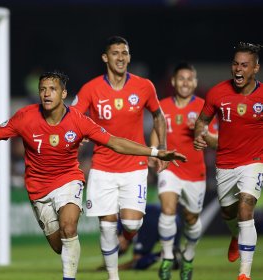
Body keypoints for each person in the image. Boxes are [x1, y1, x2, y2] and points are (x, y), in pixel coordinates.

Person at [0, 71, 186, 280]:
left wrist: (155, 151)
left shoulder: (78, 121)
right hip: (38, 188)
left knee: (70, 226)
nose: (47, 94)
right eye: (43, 89)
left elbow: (114, 141)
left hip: (69, 180)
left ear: (64, 93)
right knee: (60, 245)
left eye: (53, 89)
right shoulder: (25, 117)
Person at [71, 35, 167, 280]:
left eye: (124, 53)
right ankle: (114, 277)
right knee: (107, 225)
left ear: (129, 57)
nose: (121, 58)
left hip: (134, 166)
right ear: (105, 57)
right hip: (103, 165)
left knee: (132, 224)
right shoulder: (91, 89)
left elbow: (158, 116)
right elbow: (73, 119)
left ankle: (126, 239)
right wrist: (77, 135)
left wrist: (161, 147)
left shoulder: (144, 86)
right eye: (115, 53)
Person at [194, 42, 263, 280]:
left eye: (245, 65)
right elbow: (202, 121)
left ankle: (244, 273)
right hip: (225, 164)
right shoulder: (217, 93)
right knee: (229, 213)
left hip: (254, 161)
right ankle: (236, 235)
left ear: (255, 68)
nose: (238, 69)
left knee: (246, 207)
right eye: (235, 63)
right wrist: (200, 136)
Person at [150, 63, 218, 280]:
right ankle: (168, 257)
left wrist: (201, 133)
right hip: (169, 167)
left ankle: (188, 254)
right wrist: (154, 153)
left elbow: (214, 141)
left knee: (191, 219)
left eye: (190, 79)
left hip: (195, 172)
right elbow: (156, 131)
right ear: (173, 82)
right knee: (168, 209)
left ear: (195, 83)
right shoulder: (162, 106)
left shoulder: (204, 108)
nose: (186, 82)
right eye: (181, 78)